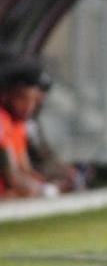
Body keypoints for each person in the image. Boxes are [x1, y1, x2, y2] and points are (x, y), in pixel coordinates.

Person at [0, 56, 66, 197]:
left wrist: (45, 183)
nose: (29, 107)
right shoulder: (2, 119)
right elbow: (12, 177)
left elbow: (24, 169)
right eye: (23, 98)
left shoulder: (18, 124)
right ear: (6, 95)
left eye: (33, 100)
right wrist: (43, 190)